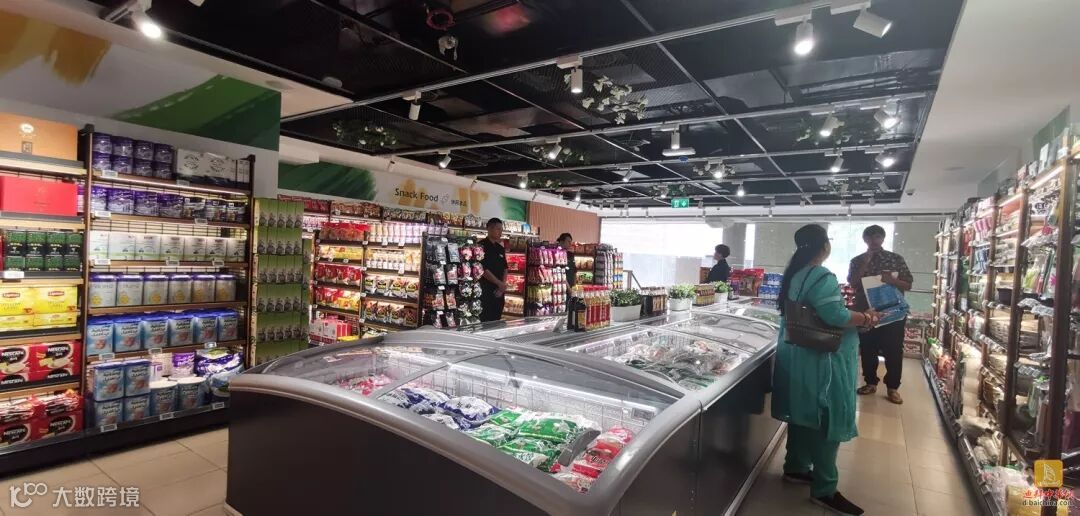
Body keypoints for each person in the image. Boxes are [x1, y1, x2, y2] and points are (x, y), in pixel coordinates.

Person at [772, 224, 879, 516]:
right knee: (826, 419)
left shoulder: (795, 274)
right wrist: (866, 317)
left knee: (802, 413)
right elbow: (835, 315)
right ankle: (825, 488)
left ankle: (795, 467)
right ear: (824, 246)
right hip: (823, 361)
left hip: (798, 357)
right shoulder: (821, 275)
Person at [847, 225, 913, 405]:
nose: (874, 241)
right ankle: (870, 382)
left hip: (892, 312)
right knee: (867, 348)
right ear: (864, 239)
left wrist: (893, 281)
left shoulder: (895, 259)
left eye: (877, 237)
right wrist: (865, 263)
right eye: (870, 237)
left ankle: (893, 388)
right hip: (866, 312)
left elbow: (908, 284)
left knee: (894, 350)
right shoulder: (857, 260)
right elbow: (853, 283)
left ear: (883, 238)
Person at [479, 218, 508, 322]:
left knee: (497, 319)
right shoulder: (481, 247)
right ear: (490, 229)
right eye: (498, 229)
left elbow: (505, 268)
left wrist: (502, 285)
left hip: (499, 291)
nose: (500, 232)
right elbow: (482, 269)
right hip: (485, 290)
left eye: (501, 229)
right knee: (485, 320)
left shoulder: (500, 248)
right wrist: (499, 283)